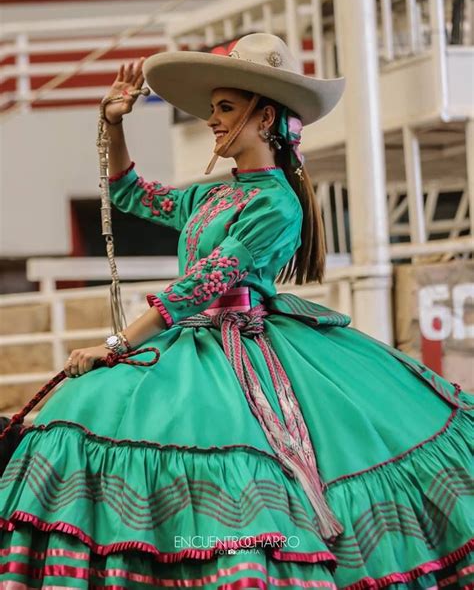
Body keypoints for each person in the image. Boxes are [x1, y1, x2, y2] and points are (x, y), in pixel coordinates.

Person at [0, 33, 472, 589]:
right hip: (192, 336)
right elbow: (131, 194)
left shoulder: (277, 204)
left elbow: (209, 280)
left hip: (242, 342)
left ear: (263, 114)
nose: (213, 121)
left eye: (224, 109)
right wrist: (114, 124)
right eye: (214, 110)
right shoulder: (212, 195)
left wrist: (118, 344)